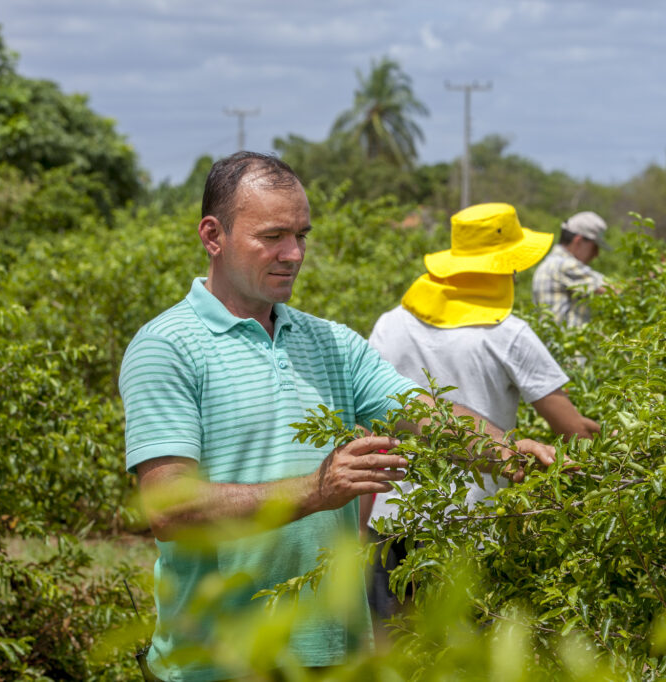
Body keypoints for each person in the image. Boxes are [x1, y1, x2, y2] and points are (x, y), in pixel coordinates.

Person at [118, 153, 555, 681]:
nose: (294, 253)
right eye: (273, 236)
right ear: (213, 236)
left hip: (336, 655)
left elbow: (422, 410)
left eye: (302, 235)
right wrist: (316, 491)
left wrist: (504, 450)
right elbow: (170, 508)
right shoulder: (167, 347)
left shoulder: (330, 342)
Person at [362, 202, 599, 625]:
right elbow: (572, 431)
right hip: (474, 524)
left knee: (396, 651)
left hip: (390, 519)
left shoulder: (391, 323)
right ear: (506, 268)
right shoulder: (508, 334)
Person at [531, 210, 611, 327]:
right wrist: (644, 283)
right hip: (564, 343)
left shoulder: (551, 263)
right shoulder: (565, 265)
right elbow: (614, 289)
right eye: (594, 247)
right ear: (578, 241)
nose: (596, 254)